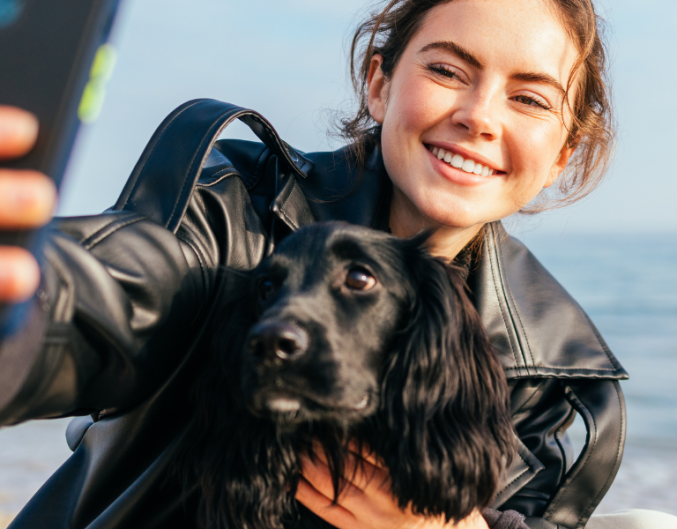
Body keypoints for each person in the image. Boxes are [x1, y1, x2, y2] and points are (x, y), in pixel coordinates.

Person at [1, 0, 673, 528]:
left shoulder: (563, 392)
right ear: (379, 85)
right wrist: (19, 286)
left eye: (527, 98)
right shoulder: (232, 216)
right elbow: (98, 295)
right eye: (446, 70)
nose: (477, 116)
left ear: (562, 152)